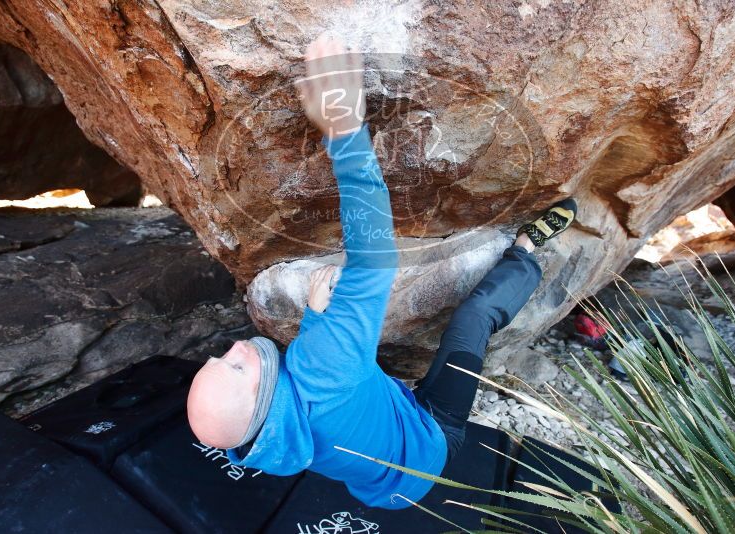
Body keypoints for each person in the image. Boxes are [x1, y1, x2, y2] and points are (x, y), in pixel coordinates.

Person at [186, 34, 578, 509]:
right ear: (261, 397)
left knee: (373, 387)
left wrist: (315, 318)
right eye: (235, 366)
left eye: (220, 357)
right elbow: (374, 260)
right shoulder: (323, 370)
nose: (235, 347)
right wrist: (344, 131)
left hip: (387, 492)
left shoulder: (273, 443)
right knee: (472, 319)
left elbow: (321, 379)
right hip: (435, 437)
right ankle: (525, 249)